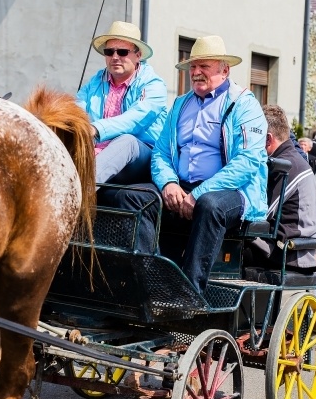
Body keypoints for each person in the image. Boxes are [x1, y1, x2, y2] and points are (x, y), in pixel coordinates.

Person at [104, 35, 268, 294]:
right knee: (133, 197)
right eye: (193, 67)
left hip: (233, 193)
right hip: (183, 187)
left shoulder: (245, 104)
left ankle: (188, 292)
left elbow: (247, 162)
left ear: (224, 70)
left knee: (209, 204)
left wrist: (198, 194)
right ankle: (150, 281)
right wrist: (168, 183)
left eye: (204, 66)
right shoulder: (181, 104)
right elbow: (160, 152)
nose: (196, 72)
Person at [76, 21, 167, 184]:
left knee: (127, 141)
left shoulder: (153, 85)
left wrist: (96, 129)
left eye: (123, 52)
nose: (115, 57)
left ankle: (80, 192)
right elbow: (76, 109)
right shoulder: (95, 81)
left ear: (138, 55)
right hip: (97, 153)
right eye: (109, 52)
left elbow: (134, 119)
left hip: (141, 157)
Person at [246, 105, 316, 273]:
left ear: (267, 139)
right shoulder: (289, 158)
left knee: (225, 250)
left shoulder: (287, 165)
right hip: (281, 244)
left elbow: (260, 213)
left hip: (290, 252)